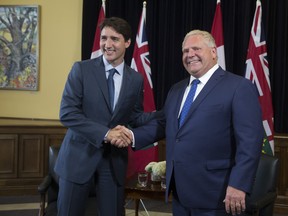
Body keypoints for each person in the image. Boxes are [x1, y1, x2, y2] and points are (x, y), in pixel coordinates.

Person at [127, 30, 264, 215]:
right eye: (185, 51)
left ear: (214, 52)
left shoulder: (239, 87)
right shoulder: (176, 89)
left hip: (218, 194)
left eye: (196, 48)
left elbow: (250, 142)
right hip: (180, 193)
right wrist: (131, 136)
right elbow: (163, 125)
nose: (190, 55)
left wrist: (239, 185)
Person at [54, 17, 158, 216]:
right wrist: (107, 133)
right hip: (78, 159)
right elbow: (68, 113)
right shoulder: (81, 70)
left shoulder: (135, 79)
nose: (107, 44)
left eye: (114, 39)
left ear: (127, 42)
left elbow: (134, 117)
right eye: (104, 38)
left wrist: (163, 114)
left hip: (113, 163)